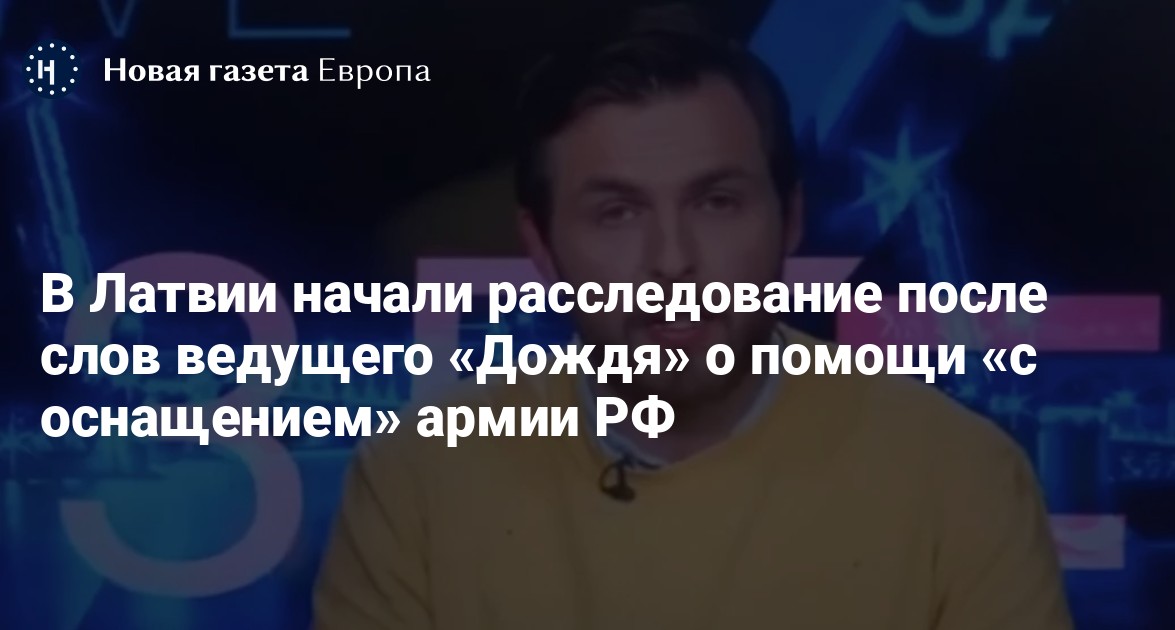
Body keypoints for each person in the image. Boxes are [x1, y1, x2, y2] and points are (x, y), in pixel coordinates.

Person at [313, 17, 1073, 630]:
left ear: (790, 221)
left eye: (717, 202)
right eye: (617, 213)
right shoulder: (418, 481)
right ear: (541, 249)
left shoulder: (959, 476)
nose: (672, 262)